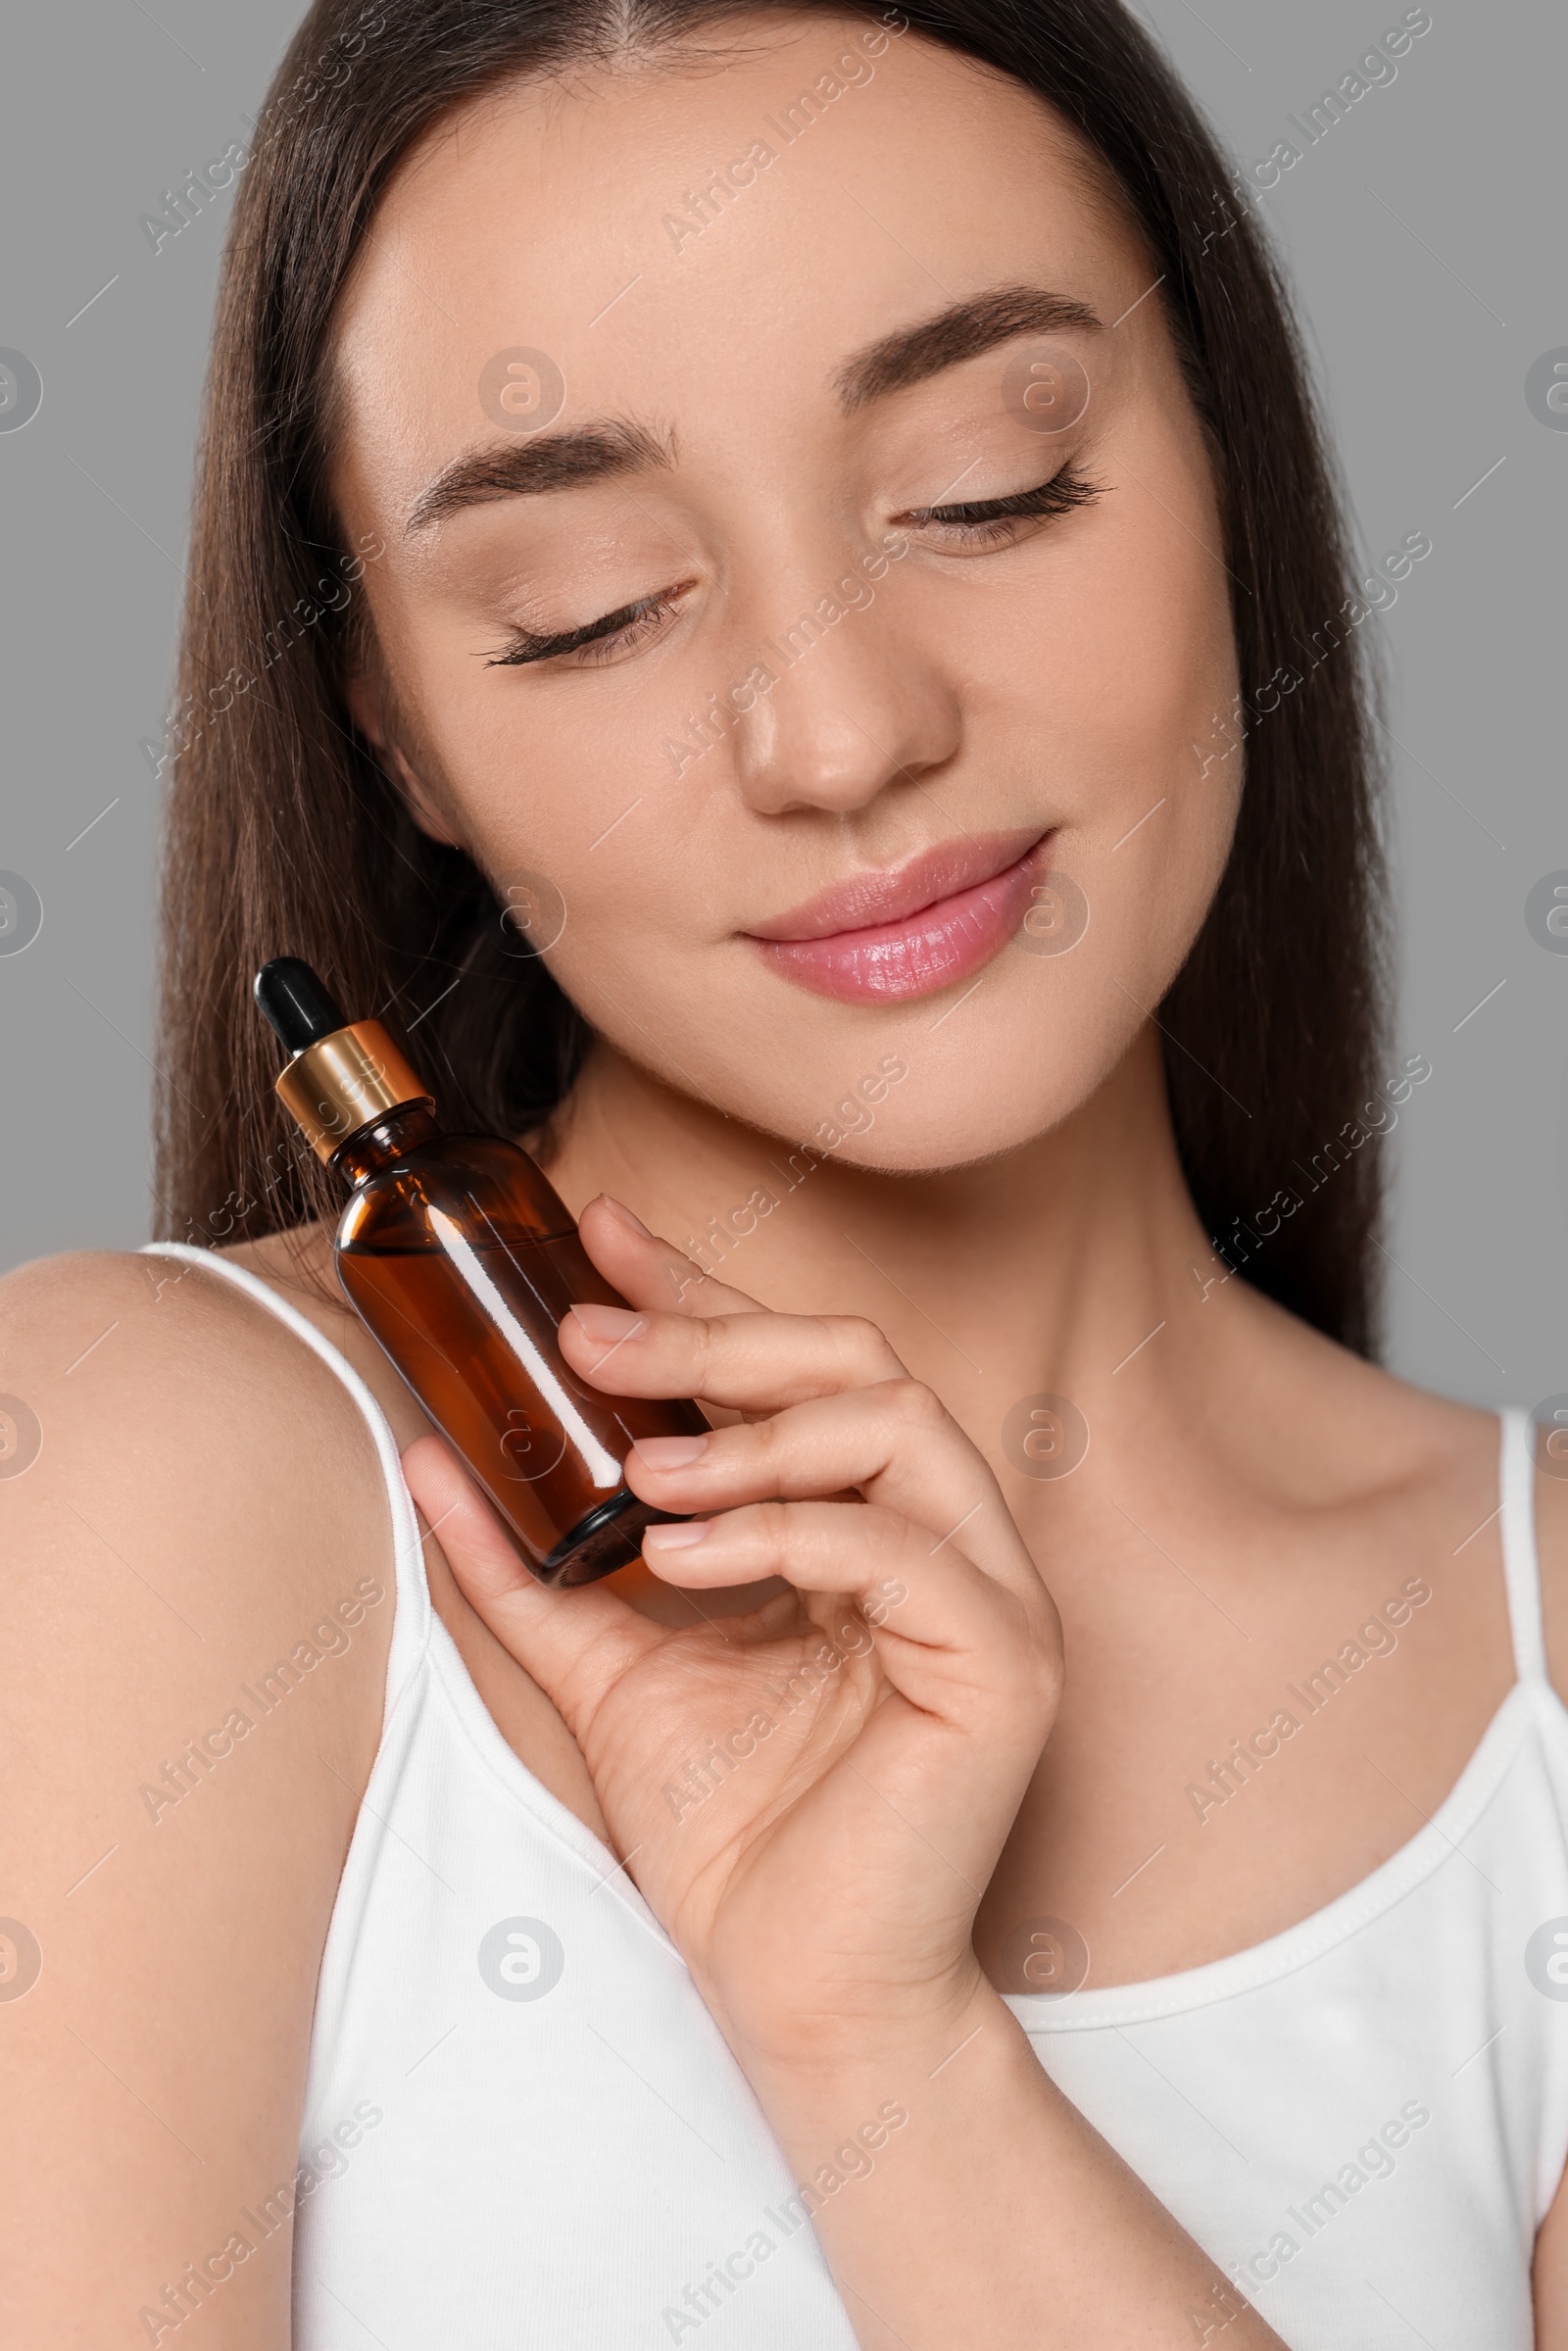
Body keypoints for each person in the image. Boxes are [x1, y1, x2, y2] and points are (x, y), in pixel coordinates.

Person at [6, 0, 1563, 2343]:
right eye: (587, 612)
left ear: (1226, 463)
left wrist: (886, 2058)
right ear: (398, 733)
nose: (841, 734)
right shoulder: (128, 1479)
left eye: (986, 487)